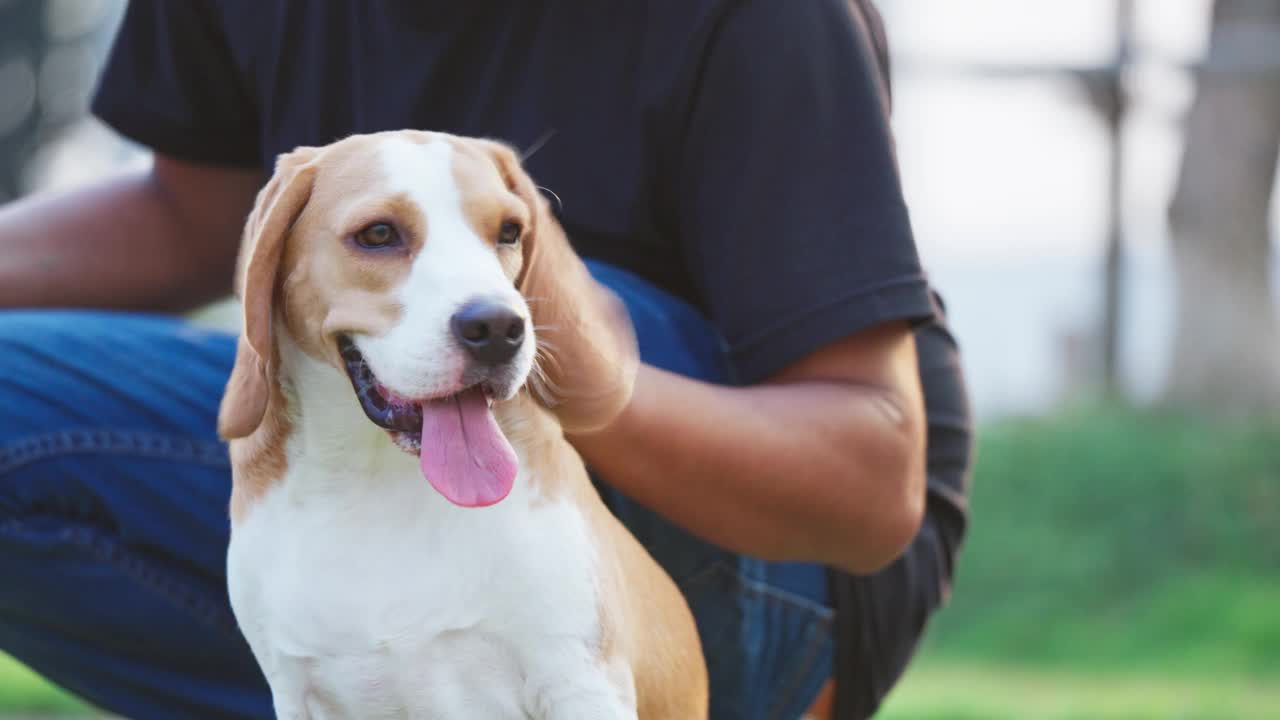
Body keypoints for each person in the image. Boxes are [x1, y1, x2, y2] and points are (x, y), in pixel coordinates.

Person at [0, 1, 973, 718]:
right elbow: (191, 216)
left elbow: (872, 487)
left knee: (562, 304)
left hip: (769, 564)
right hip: (375, 453)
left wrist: (598, 385)